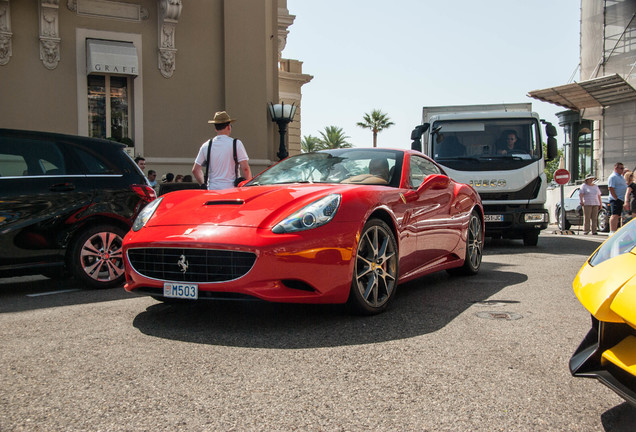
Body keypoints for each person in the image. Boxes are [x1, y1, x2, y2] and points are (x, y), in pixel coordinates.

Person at [192, 111, 251, 190]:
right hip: (232, 190)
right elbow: (245, 169)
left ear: (216, 128)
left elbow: (195, 170)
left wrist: (202, 184)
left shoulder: (206, 145)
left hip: (212, 190)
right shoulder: (236, 144)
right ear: (229, 127)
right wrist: (248, 187)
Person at [608, 162, 627, 235]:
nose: (622, 170)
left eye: (623, 168)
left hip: (622, 199)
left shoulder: (621, 177)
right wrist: (616, 198)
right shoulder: (613, 177)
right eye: (621, 168)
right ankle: (612, 231)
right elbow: (611, 188)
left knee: (622, 215)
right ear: (616, 168)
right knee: (615, 215)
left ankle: (621, 231)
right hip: (616, 199)